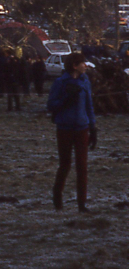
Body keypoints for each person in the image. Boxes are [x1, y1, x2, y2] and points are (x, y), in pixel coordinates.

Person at [47, 52, 97, 212]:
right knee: (65, 164)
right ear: (74, 65)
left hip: (82, 127)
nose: (86, 65)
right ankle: (57, 195)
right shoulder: (60, 82)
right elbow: (51, 105)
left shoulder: (85, 81)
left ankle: (82, 203)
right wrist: (65, 100)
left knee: (82, 166)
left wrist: (93, 127)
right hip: (65, 128)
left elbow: (89, 105)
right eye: (83, 62)